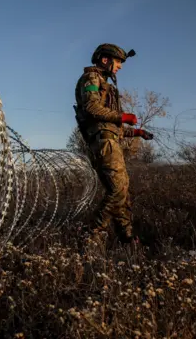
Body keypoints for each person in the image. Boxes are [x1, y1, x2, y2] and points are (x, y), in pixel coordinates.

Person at [73, 43, 154, 244]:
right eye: (118, 62)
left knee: (122, 192)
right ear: (105, 60)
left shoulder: (104, 83)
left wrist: (136, 132)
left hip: (110, 140)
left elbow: (111, 126)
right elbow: (92, 108)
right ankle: (91, 235)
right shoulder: (91, 78)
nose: (120, 67)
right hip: (103, 144)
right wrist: (122, 116)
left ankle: (127, 237)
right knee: (117, 191)